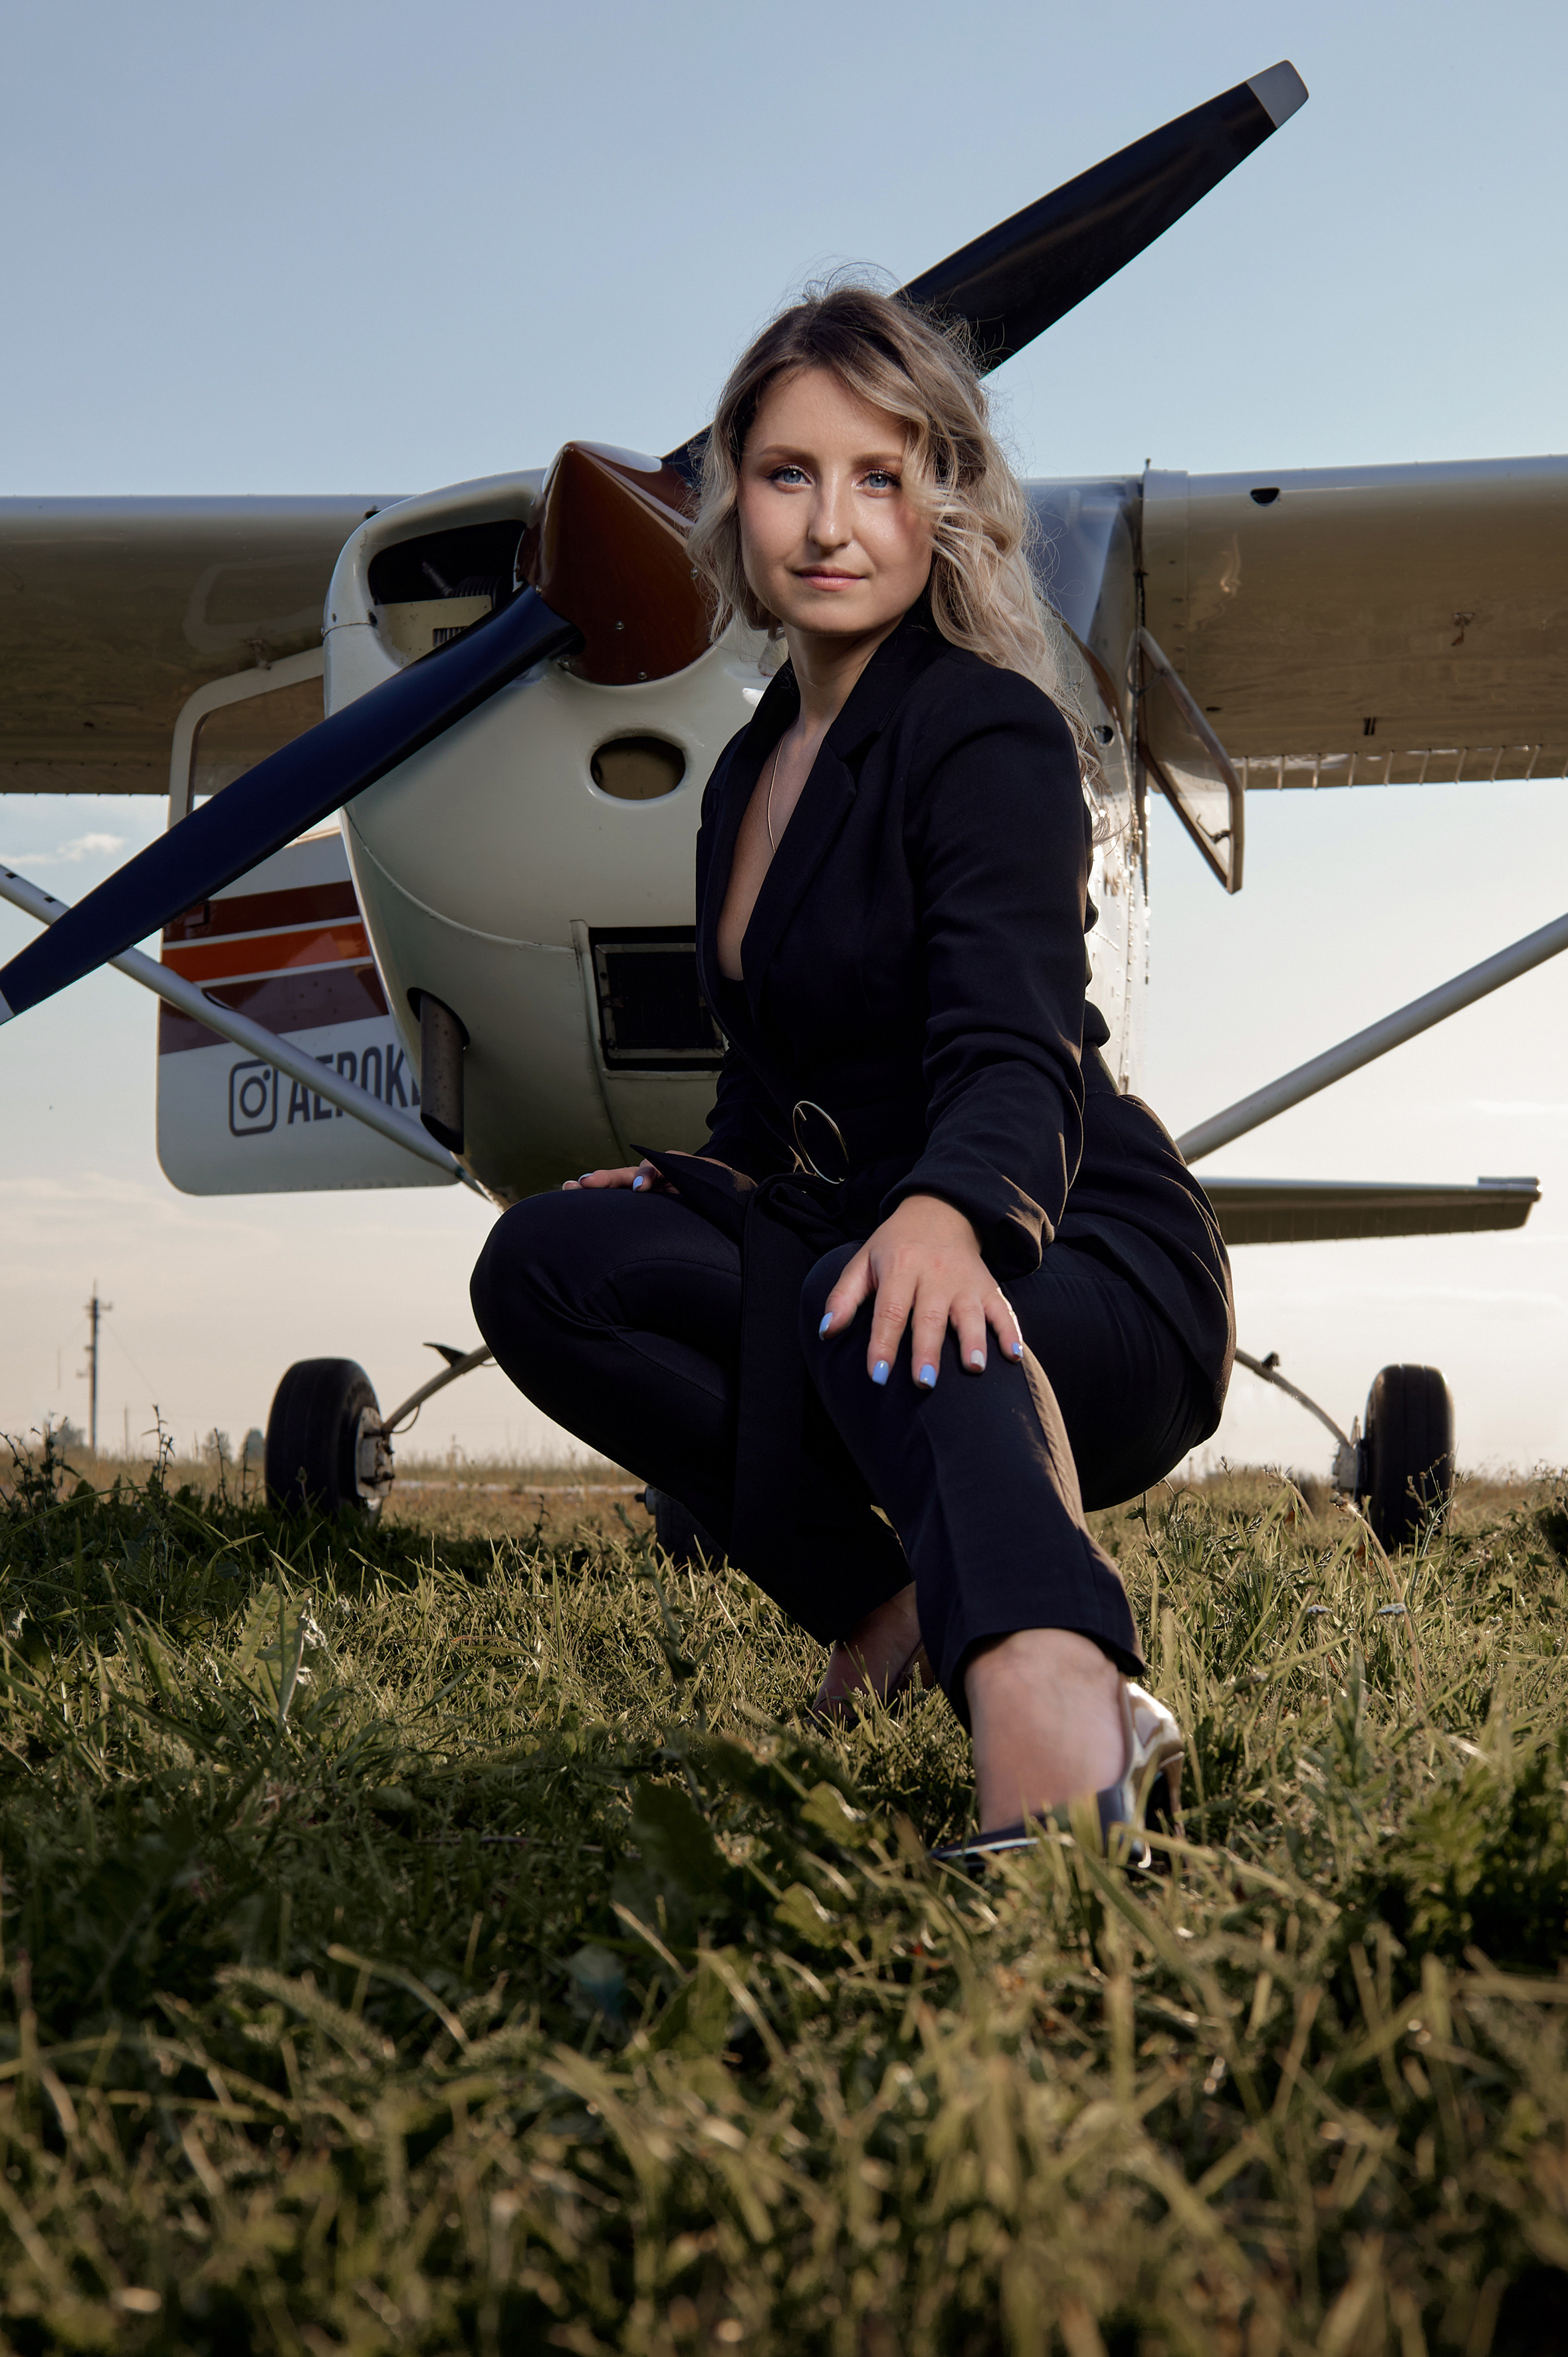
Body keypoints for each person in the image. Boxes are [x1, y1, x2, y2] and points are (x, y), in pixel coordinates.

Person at [473, 284, 1233, 1864]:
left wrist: (957, 1211)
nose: (831, 523)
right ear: (734, 502)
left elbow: (1017, 1041)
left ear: (941, 502)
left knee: (903, 1314)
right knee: (549, 1264)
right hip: (853, 1242)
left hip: (1077, 1239)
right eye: (788, 473)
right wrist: (689, 1185)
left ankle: (1066, 1733)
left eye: (879, 477)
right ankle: (888, 1602)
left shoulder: (990, 732)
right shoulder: (748, 773)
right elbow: (766, 1104)